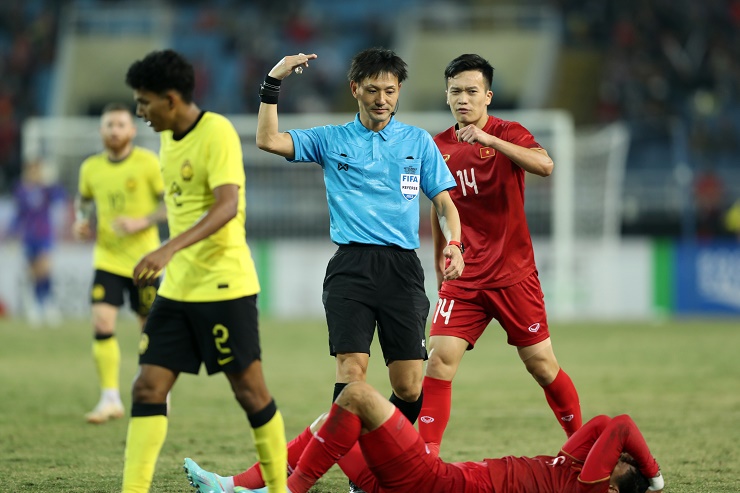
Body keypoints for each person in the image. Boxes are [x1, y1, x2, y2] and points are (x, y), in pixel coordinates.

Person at [255, 49, 463, 427]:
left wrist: (454, 243)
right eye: (372, 90)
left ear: (398, 91)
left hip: (402, 268)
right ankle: (350, 462)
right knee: (352, 372)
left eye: (389, 91)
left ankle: (378, 452)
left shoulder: (418, 142)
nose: (381, 99)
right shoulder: (331, 138)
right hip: (351, 266)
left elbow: (445, 205)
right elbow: (268, 139)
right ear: (355, 89)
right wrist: (274, 80)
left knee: (410, 386)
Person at [121, 49, 287, 493]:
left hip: (224, 286)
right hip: (178, 290)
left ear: (171, 99)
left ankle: (279, 488)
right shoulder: (166, 137)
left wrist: (166, 249)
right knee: (147, 388)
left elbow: (227, 205)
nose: (140, 112)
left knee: (250, 392)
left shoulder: (216, 132)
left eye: (144, 102)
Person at [418, 54, 583, 455]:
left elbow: (545, 165)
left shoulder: (509, 132)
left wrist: (490, 140)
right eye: (455, 91)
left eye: (472, 91)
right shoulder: (436, 147)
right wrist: (441, 262)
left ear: (488, 96)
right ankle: (424, 461)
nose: (463, 99)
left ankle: (581, 447)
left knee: (541, 365)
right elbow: (440, 209)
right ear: (446, 95)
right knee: (438, 360)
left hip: (513, 275)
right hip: (464, 278)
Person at [184, 381, 665, 493]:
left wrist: (654, 478)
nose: (615, 454)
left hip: (433, 483)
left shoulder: (589, 488)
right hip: (424, 483)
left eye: (620, 463)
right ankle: (229, 486)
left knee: (356, 396)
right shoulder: (573, 469)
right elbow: (602, 424)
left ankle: (289, 491)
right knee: (329, 423)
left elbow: (621, 425)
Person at [72, 102, 165, 424]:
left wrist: (143, 221)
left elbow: (171, 204)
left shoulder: (148, 163)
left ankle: (156, 390)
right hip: (107, 259)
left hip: (145, 261)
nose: (114, 131)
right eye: (109, 125)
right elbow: (83, 201)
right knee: (101, 323)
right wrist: (81, 221)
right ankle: (109, 398)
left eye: (120, 125)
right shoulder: (90, 168)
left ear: (132, 130)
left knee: (148, 331)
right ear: (101, 130)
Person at [6, 158, 65, 326]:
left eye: (37, 170)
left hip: (44, 235)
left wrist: (51, 183)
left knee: (44, 269)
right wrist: (11, 233)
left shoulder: (46, 189)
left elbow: (60, 196)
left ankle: (47, 304)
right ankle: (36, 306)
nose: (34, 174)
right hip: (28, 237)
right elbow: (19, 214)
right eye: (31, 170)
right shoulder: (21, 190)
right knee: (33, 273)